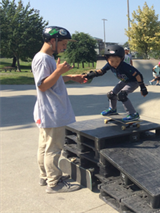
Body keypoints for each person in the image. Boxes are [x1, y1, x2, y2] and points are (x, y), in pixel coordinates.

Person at [32, 26, 86, 193]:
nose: (65, 47)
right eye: (63, 43)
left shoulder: (46, 58)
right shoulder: (43, 59)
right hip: (52, 112)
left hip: (47, 111)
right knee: (54, 148)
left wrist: (70, 77)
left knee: (45, 146)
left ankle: (46, 176)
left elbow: (51, 79)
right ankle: (54, 183)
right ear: (52, 41)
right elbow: (42, 85)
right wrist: (58, 71)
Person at [85, 45, 148, 121]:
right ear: (107, 59)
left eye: (117, 61)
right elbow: (102, 71)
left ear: (121, 59)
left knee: (122, 95)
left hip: (133, 82)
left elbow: (138, 75)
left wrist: (142, 87)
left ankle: (133, 114)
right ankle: (112, 109)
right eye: (112, 61)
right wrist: (90, 75)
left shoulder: (125, 66)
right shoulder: (109, 65)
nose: (114, 64)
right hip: (124, 81)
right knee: (111, 94)